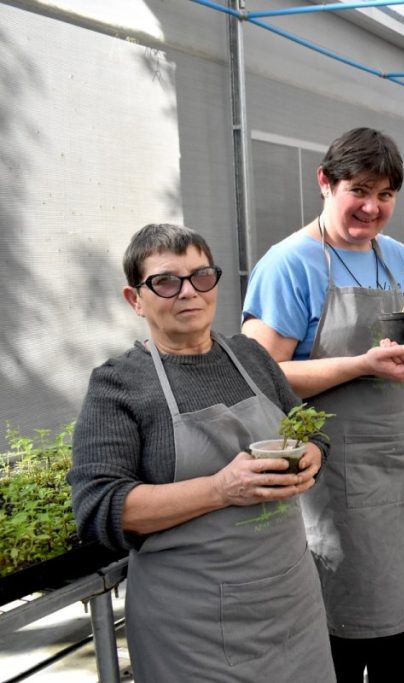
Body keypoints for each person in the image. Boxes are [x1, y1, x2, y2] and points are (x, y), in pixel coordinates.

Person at [68, 223, 334, 681]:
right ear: (135, 299)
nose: (188, 292)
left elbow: (312, 432)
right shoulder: (119, 385)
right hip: (192, 626)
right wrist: (220, 489)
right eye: (166, 281)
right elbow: (99, 507)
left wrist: (312, 454)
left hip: (291, 602)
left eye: (201, 276)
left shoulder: (250, 357)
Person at [240, 128, 404, 682]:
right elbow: (264, 376)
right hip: (338, 475)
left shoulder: (401, 257)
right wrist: (360, 364)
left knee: (399, 616)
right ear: (325, 183)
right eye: (359, 190)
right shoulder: (289, 264)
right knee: (345, 622)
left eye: (385, 196)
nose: (372, 207)